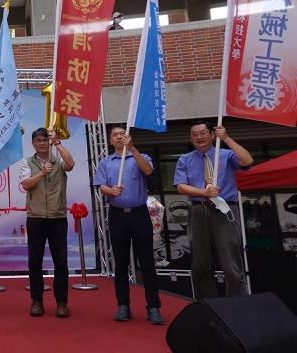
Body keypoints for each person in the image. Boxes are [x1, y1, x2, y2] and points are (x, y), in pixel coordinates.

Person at [174, 121, 253, 299]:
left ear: (211, 134)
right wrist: (204, 192)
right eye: (194, 134)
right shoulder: (185, 159)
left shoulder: (225, 155)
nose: (199, 137)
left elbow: (247, 160)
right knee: (200, 264)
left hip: (225, 210)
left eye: (202, 133)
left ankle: (236, 306)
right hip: (198, 211)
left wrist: (226, 138)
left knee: (230, 262)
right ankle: (207, 306)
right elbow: (180, 186)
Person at [94, 126, 163, 325]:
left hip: (140, 214)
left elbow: (149, 170)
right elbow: (102, 186)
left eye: (122, 135)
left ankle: (154, 307)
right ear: (110, 140)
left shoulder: (140, 157)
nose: (119, 138)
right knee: (121, 263)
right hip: (117, 216)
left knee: (147, 263)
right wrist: (110, 191)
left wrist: (132, 149)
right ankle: (123, 306)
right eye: (115, 135)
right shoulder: (106, 162)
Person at [18, 127, 75, 318]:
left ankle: (61, 303)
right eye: (38, 140)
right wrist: (42, 173)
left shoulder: (57, 159)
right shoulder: (27, 162)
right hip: (35, 218)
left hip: (57, 218)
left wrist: (58, 143)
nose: (42, 143)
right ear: (33, 143)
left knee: (61, 262)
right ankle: (37, 301)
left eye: (45, 140)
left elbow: (70, 164)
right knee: (35, 262)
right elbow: (26, 184)